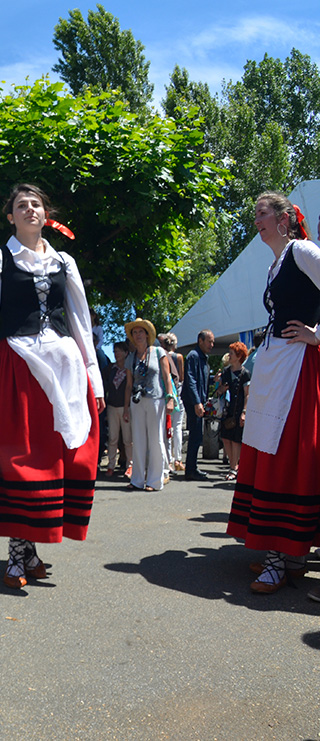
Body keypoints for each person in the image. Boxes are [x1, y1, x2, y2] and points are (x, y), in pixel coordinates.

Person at [0, 183, 104, 591]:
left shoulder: (64, 261)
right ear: (11, 217)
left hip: (64, 369)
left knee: (59, 457)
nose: (29, 209)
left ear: (46, 215)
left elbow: (80, 322)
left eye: (36, 204)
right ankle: (18, 552)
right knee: (22, 458)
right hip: (17, 365)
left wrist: (94, 378)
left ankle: (27, 552)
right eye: (21, 205)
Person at [225, 191, 320, 595]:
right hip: (277, 366)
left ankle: (280, 557)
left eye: (261, 213)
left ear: (283, 219)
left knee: (287, 454)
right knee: (272, 450)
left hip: (297, 367)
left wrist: (317, 335)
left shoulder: (303, 251)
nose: (256, 221)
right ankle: (289, 554)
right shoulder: (276, 264)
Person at [122, 319, 176, 491]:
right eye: (135, 332)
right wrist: (125, 408)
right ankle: (137, 480)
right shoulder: (131, 358)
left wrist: (170, 398)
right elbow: (128, 385)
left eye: (141, 332)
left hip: (156, 400)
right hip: (137, 402)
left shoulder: (159, 352)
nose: (138, 335)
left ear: (147, 334)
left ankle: (154, 481)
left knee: (156, 440)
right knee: (138, 440)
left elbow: (167, 377)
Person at [181, 329, 214, 480]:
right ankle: (190, 470)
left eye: (212, 342)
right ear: (200, 341)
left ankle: (192, 468)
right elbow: (191, 380)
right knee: (195, 435)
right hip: (194, 401)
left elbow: (201, 380)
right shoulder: (193, 356)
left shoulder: (202, 357)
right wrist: (196, 402)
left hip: (198, 400)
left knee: (197, 436)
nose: (211, 345)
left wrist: (213, 380)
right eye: (209, 341)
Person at [216, 341, 250, 481]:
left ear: (239, 356)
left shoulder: (245, 374)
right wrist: (221, 388)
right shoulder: (225, 372)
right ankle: (233, 465)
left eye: (231, 353)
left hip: (238, 410)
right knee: (225, 438)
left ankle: (233, 468)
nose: (229, 355)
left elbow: (247, 394)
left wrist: (244, 412)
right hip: (226, 410)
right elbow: (218, 391)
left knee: (236, 440)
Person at [102, 341, 132, 477]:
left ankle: (130, 465)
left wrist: (127, 407)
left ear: (126, 353)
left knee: (127, 439)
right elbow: (105, 386)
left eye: (119, 351)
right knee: (113, 438)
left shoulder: (130, 369)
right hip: (112, 406)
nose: (116, 354)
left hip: (126, 407)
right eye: (114, 351)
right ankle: (111, 465)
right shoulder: (110, 369)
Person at [159, 333, 185, 473]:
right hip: (177, 393)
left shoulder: (161, 356)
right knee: (177, 426)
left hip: (165, 393)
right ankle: (178, 459)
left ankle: (168, 458)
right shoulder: (178, 357)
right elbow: (181, 377)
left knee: (167, 427)